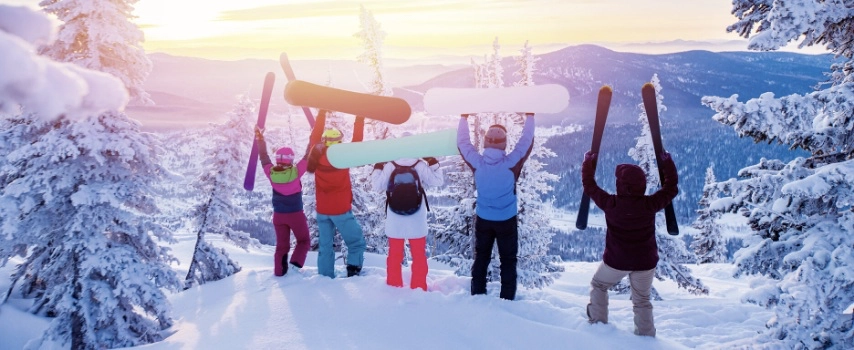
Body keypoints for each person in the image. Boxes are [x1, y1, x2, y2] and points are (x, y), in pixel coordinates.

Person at [581, 151, 679, 337]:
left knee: (599, 285)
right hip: (645, 261)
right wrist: (667, 164)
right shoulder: (649, 204)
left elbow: (589, 186)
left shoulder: (611, 203)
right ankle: (646, 338)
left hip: (617, 261)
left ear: (620, 185)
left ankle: (598, 324)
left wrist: (588, 163)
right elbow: (671, 187)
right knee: (642, 300)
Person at [457, 113, 535, 300]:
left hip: (484, 219)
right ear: (503, 143)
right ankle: (507, 298)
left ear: (485, 142)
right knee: (508, 260)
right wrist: (530, 117)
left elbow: (463, 144)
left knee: (481, 256)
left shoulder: (478, 163)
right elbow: (526, 142)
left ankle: (477, 293)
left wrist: (463, 119)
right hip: (506, 220)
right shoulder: (511, 163)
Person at [370, 141, 444, 291]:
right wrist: (432, 162)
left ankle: (393, 285)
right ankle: (419, 286)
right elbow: (438, 181)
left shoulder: (390, 165)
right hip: (416, 218)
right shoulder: (420, 164)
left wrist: (378, 167)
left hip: (395, 216)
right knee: (419, 256)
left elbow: (376, 186)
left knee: (394, 255)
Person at [307, 110, 366, 278]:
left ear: (324, 142)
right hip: (341, 210)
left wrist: (321, 113)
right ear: (339, 141)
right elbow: (357, 142)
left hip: (322, 211)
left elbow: (314, 136)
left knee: (325, 247)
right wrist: (359, 117)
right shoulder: (343, 157)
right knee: (356, 243)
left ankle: (325, 277)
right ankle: (353, 273)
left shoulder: (315, 155)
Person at [255, 128, 311, 277]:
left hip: (279, 216)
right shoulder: (297, 171)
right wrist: (314, 136)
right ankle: (294, 266)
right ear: (291, 159)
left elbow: (264, 157)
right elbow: (308, 156)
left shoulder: (271, 173)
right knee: (304, 241)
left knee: (282, 247)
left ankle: (279, 273)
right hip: (296, 215)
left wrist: (260, 139)